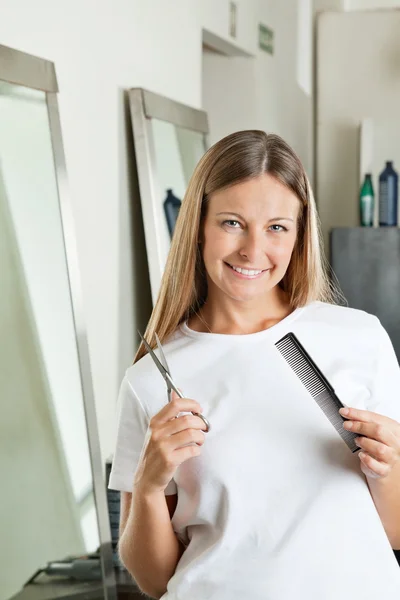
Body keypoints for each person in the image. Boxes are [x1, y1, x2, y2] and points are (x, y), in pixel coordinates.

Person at [108, 130, 400, 600]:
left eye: (277, 227)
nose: (252, 250)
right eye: (231, 223)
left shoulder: (359, 338)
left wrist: (390, 466)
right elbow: (153, 579)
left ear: (299, 234)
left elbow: (394, 534)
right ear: (198, 226)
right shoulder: (152, 378)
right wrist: (147, 485)